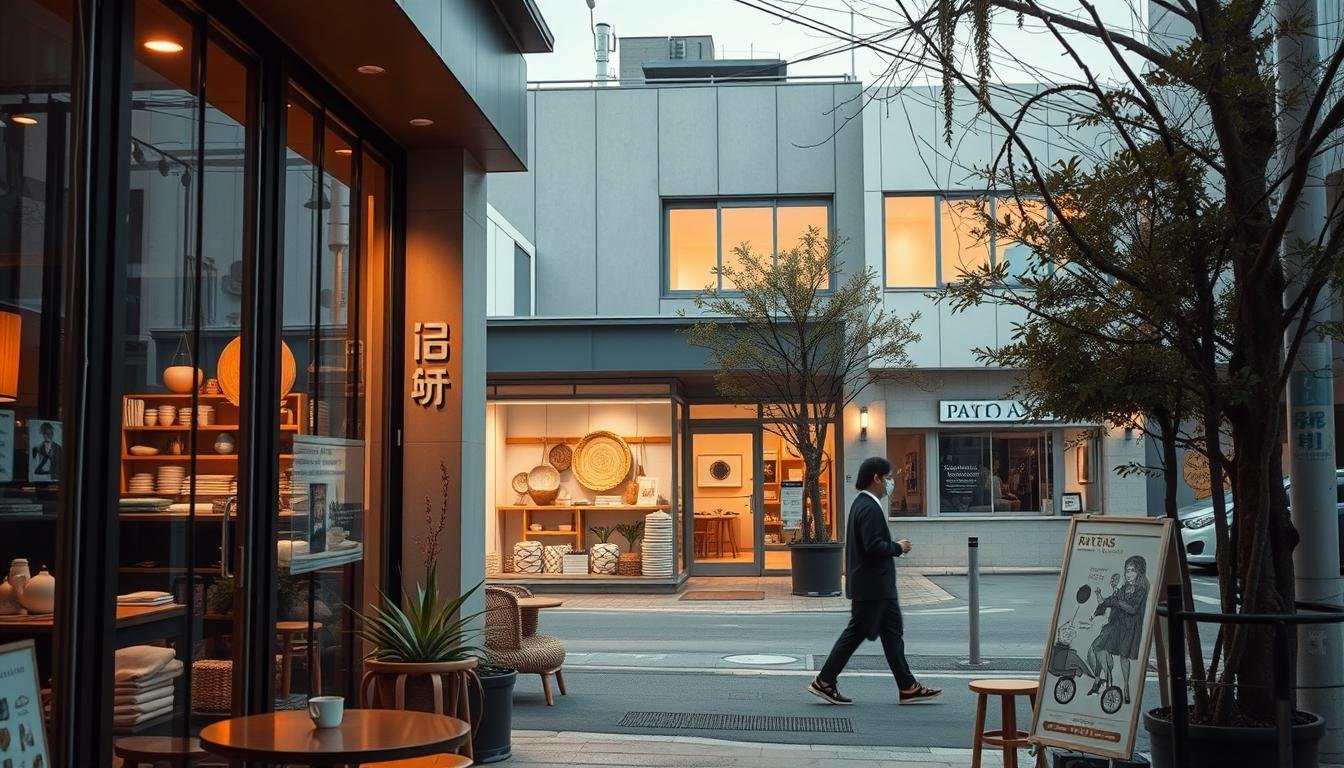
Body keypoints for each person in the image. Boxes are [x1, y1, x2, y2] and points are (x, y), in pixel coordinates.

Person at [808, 456, 942, 705]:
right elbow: (873, 546)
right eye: (888, 478)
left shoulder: (861, 504)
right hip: (874, 586)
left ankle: (908, 686)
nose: (890, 483)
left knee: (892, 634)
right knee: (858, 633)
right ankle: (825, 680)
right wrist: (898, 547)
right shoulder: (869, 507)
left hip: (875, 586)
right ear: (876, 478)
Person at [1087, 555, 1149, 704]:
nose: (1128, 574)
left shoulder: (1141, 589)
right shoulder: (1123, 588)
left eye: (1132, 571)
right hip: (1116, 624)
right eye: (1127, 571)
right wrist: (1100, 596)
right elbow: (1107, 602)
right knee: (1097, 647)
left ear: (1139, 572)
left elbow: (1133, 609)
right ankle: (1107, 679)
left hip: (1129, 627)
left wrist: (1117, 601)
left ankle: (1126, 687)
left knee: (1123, 657)